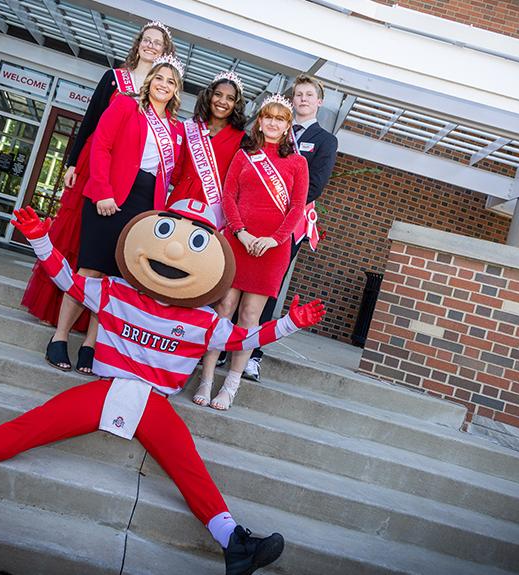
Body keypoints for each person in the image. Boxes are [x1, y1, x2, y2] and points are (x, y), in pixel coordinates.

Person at [0, 201, 325, 575]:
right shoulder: (115, 291)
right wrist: (42, 241)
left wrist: (288, 324)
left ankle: (236, 543)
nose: (173, 252)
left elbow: (243, 340)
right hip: (105, 389)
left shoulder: (205, 322)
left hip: (154, 404)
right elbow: (69, 281)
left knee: (189, 467)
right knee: (34, 425)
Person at [20, 21, 176, 375]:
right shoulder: (119, 86)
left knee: (115, 276)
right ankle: (60, 336)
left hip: (141, 202)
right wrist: (75, 162)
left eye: (158, 43)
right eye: (147, 40)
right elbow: (94, 126)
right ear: (138, 45)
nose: (151, 47)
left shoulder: (172, 125)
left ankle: (91, 344)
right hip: (105, 179)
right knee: (88, 263)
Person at [193, 95, 308, 411]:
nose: (273, 123)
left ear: (287, 127)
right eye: (268, 117)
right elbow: (229, 196)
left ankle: (231, 385)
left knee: (249, 316)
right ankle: (205, 379)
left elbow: (298, 207)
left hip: (272, 249)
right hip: (237, 242)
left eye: (280, 119)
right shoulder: (245, 155)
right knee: (224, 308)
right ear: (260, 121)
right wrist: (241, 232)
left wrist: (274, 240)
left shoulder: (298, 163)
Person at [243, 75, 338, 383]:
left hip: (289, 223)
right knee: (240, 279)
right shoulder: (275, 131)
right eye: (298, 94)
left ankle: (253, 354)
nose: (303, 99)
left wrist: (280, 206)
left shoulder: (325, 141)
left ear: (319, 102)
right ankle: (229, 345)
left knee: (269, 286)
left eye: (310, 95)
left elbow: (316, 185)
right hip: (253, 216)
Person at [167, 70, 248, 230]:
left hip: (213, 208)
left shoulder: (243, 139)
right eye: (218, 94)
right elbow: (175, 171)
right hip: (181, 200)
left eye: (230, 98)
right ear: (209, 96)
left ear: (236, 105)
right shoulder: (189, 127)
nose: (222, 101)